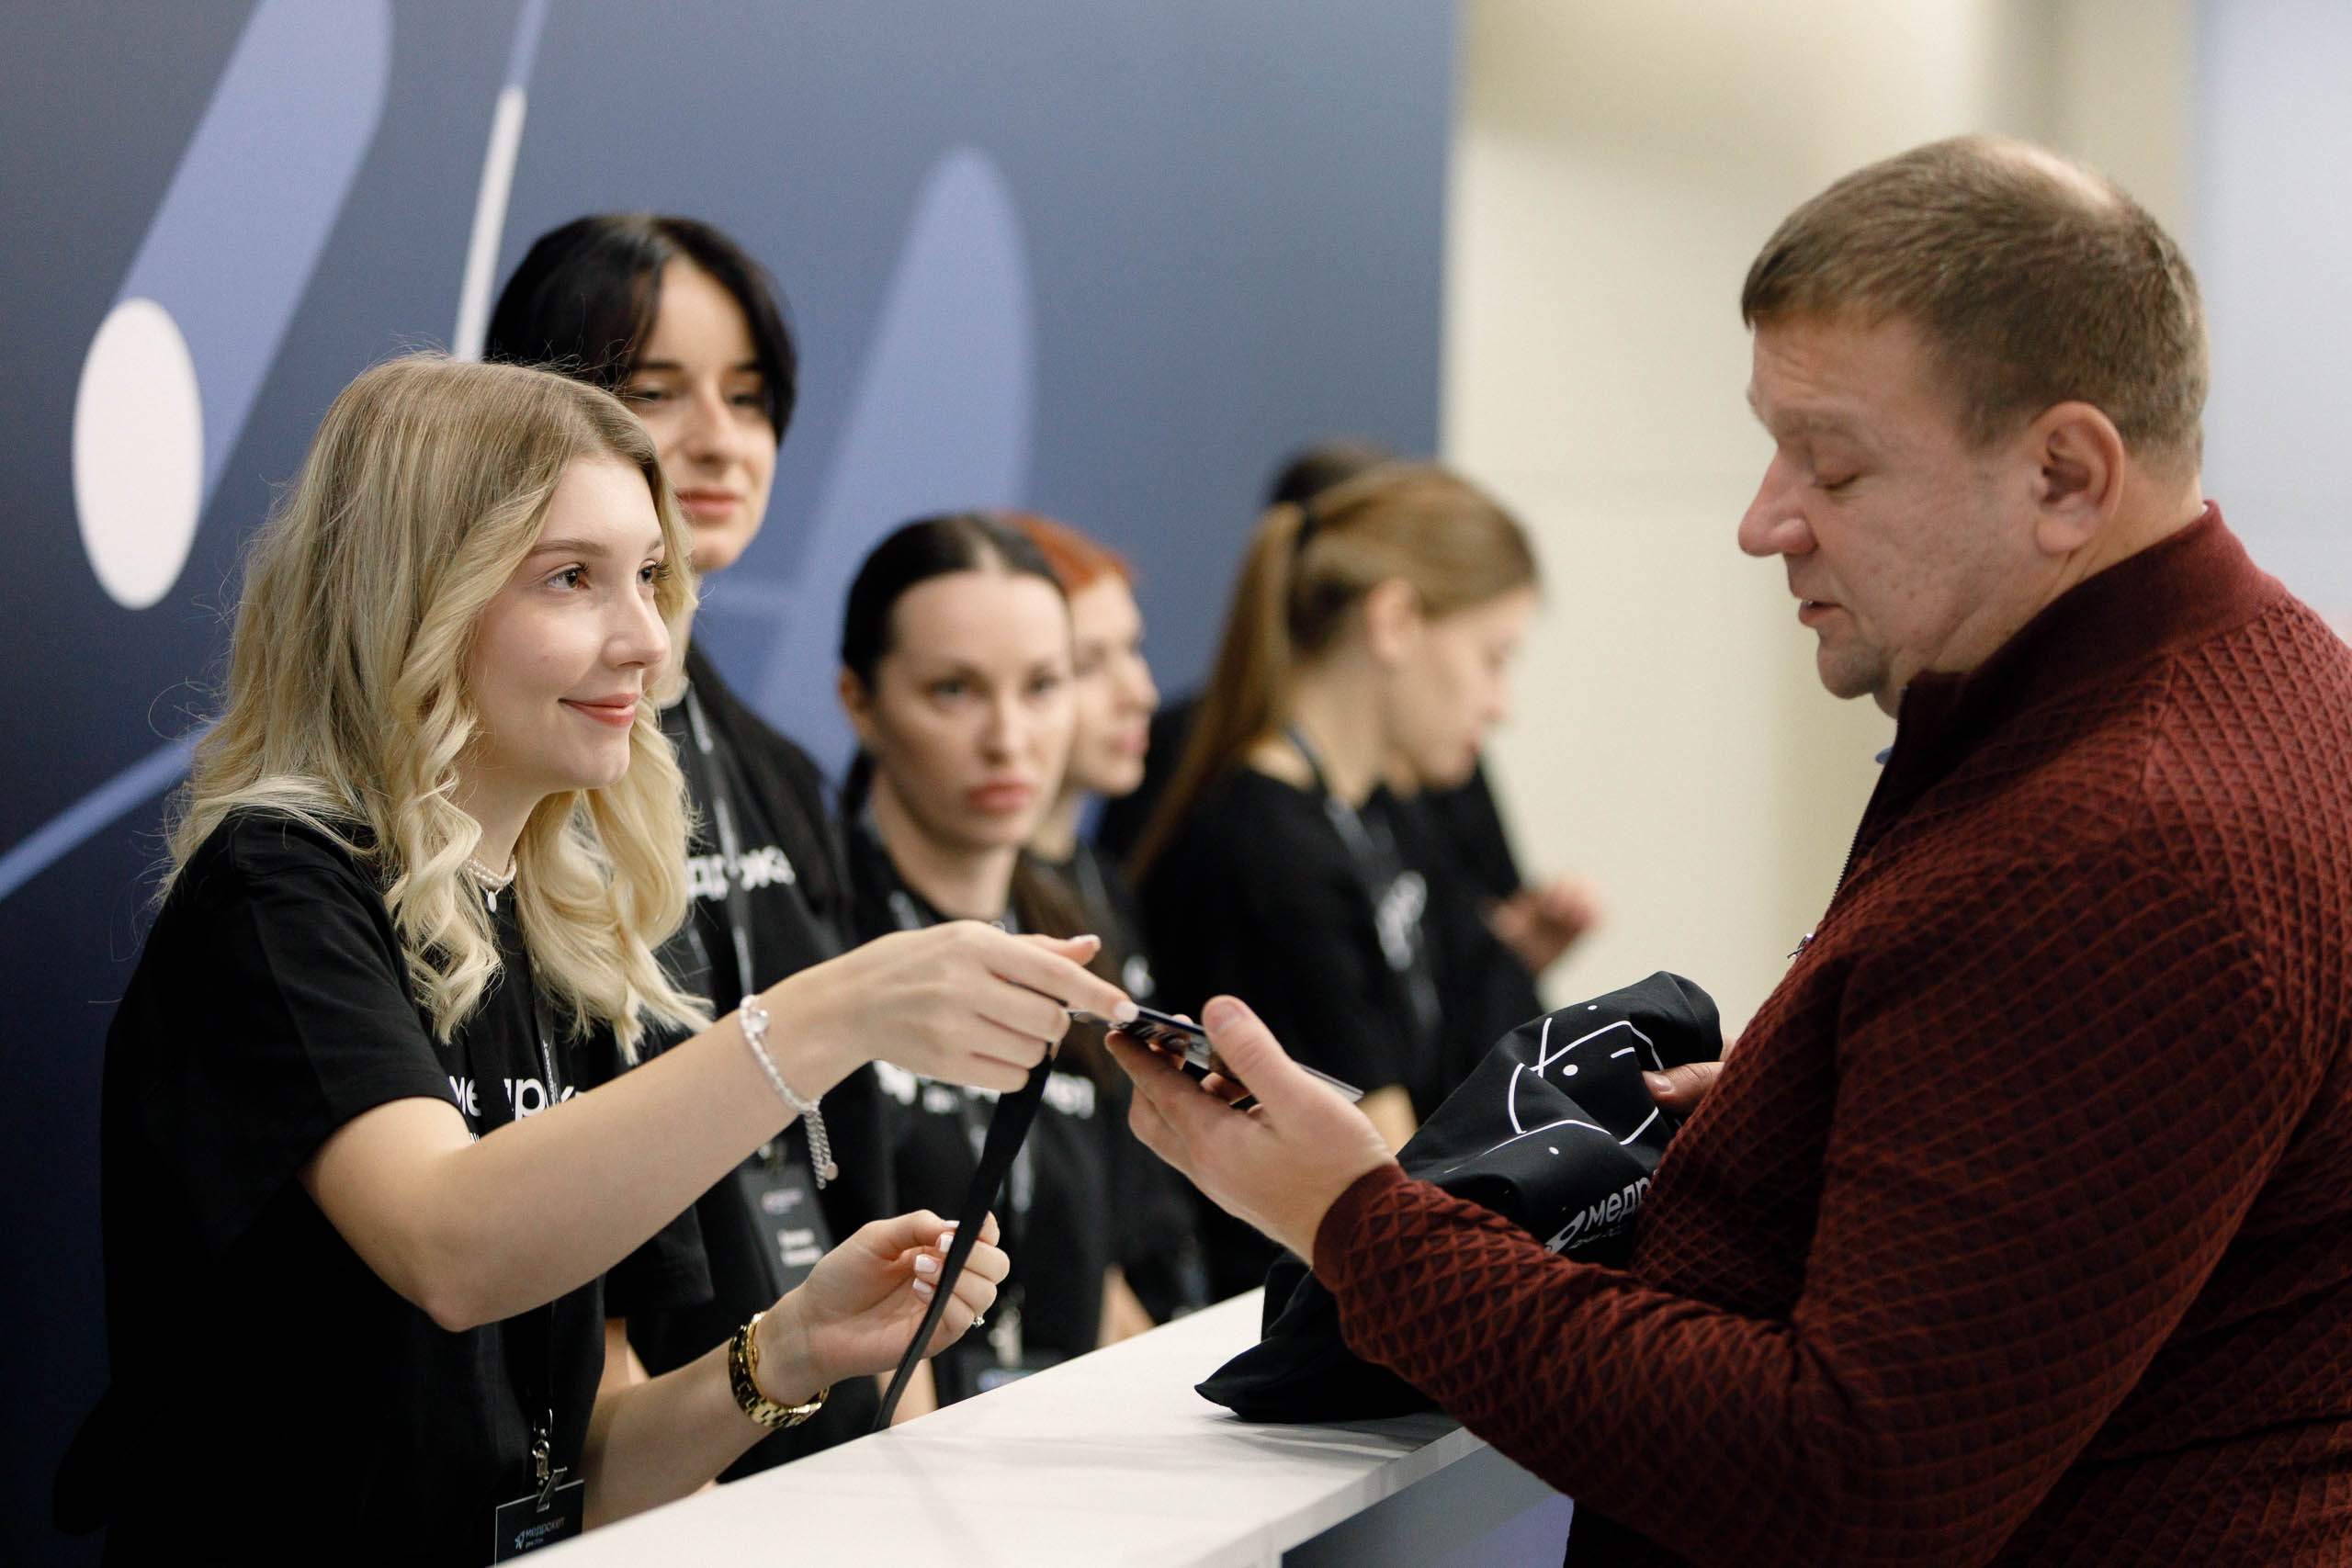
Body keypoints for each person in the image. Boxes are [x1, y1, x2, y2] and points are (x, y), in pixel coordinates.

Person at [1113, 135, 2352, 1565]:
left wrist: (1355, 1221)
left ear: (2067, 475)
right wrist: (1832, 1129)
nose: (1765, 520)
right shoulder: (2253, 692)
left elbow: (1844, 1481)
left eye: (1832, 463)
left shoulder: (2123, 844)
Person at [56, 355, 1136, 1563]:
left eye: (653, 579)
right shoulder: (280, 887)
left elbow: (590, 1472)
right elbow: (451, 1245)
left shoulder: (565, 930)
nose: (644, 641)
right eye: (572, 578)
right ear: (413, 594)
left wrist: (783, 1349)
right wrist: (831, 1010)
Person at [483, 214, 899, 1462]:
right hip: (622, 1453)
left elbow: (850, 1151)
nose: (718, 438)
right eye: (654, 389)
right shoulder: (510, 773)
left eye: (751, 395)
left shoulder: (773, 765)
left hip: (820, 1424)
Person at [1131, 462, 1542, 1299]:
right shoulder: (1266, 848)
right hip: (1283, 1308)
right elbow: (1385, 1175)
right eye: (1493, 658)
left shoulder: (1375, 811)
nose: (1501, 704)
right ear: (1393, 621)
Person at [835, 513, 1166, 1402]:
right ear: (859, 703)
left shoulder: (1083, 937)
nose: (1009, 738)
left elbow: (1104, 1289)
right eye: (954, 691)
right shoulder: (818, 947)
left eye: (1044, 687)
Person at [1012, 511, 1208, 1322]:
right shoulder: (978, 909)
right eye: (1093, 662)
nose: (1143, 692)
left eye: (1131, 649)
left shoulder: (1101, 879)